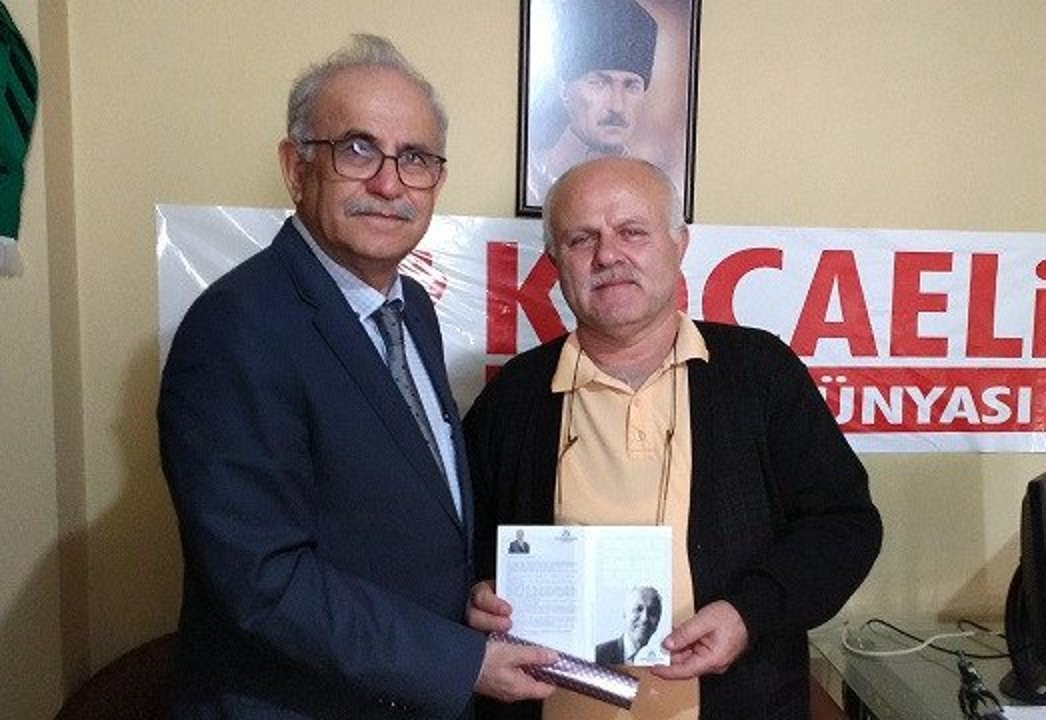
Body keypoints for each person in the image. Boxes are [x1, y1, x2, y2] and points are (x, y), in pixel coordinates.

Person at [158, 34, 556, 719]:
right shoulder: (236, 326)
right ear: (296, 168)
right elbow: (264, 580)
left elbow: (394, 520)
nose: (389, 184)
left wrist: (460, 602)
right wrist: (460, 662)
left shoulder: (412, 309)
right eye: (358, 149)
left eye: (415, 158)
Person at [464, 157, 883, 719]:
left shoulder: (761, 374)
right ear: (555, 263)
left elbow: (845, 525)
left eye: (632, 231)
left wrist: (748, 614)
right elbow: (456, 549)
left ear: (679, 244)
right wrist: (474, 595)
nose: (608, 255)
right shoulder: (513, 396)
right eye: (581, 239)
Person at [525, 0, 688, 205]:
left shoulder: (655, 194)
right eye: (599, 83)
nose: (617, 106)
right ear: (564, 90)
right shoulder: (533, 178)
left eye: (631, 86)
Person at [596, 586, 663, 665]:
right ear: (625, 614)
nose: (645, 618)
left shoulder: (664, 657)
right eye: (638, 609)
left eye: (652, 611)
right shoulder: (598, 654)